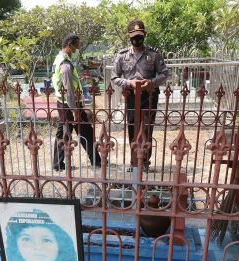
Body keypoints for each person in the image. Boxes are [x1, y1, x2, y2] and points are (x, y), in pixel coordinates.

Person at [111, 19, 168, 172]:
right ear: (129, 37)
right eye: (134, 36)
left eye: (140, 35)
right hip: (131, 96)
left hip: (149, 97)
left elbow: (164, 73)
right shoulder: (122, 56)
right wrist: (128, 83)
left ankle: (145, 162)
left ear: (145, 35)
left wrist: (150, 82)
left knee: (147, 128)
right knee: (132, 128)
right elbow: (114, 77)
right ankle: (134, 161)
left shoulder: (154, 54)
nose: (137, 39)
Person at [52, 34, 101, 171]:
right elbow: (68, 89)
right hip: (70, 104)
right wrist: (74, 110)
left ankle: (58, 164)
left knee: (65, 133)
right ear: (70, 44)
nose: (78, 47)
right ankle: (96, 161)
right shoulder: (65, 64)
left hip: (64, 103)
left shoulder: (60, 59)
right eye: (77, 44)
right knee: (85, 132)